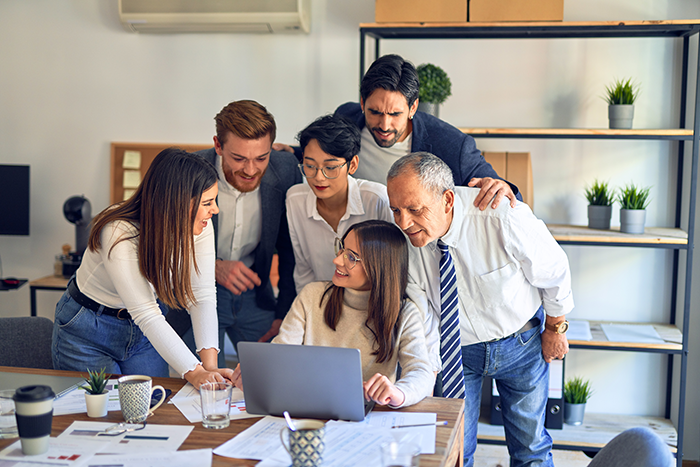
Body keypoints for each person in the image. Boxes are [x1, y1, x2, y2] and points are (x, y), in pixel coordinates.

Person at [386, 152, 574, 466]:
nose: (404, 222)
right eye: (396, 210)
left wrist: (555, 329)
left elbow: (554, 270)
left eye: (414, 210)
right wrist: (425, 373)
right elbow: (423, 313)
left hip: (521, 345)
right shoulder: (409, 240)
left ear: (447, 199)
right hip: (457, 353)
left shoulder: (501, 215)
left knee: (531, 449)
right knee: (455, 449)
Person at [52, 148, 233, 387]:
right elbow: (146, 314)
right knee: (105, 413)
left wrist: (210, 369)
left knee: (153, 409)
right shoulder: (118, 232)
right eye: (207, 202)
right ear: (176, 204)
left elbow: (202, 294)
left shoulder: (199, 224)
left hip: (141, 332)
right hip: (89, 329)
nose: (215, 210)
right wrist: (194, 372)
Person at [275, 54, 520, 210]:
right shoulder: (347, 117)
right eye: (375, 112)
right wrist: (294, 152)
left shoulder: (452, 145)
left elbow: (506, 195)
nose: (384, 125)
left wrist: (501, 186)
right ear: (362, 103)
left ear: (413, 107)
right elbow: (329, 152)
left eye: (395, 114)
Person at [233, 220, 435, 408]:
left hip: (370, 417)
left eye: (351, 257)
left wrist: (398, 392)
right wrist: (258, 373)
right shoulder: (312, 296)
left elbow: (421, 371)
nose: (337, 260)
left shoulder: (405, 314)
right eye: (342, 249)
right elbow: (281, 353)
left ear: (378, 268)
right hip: (306, 408)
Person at [170, 100, 301, 367]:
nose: (251, 170)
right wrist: (213, 267)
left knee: (275, 375)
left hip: (255, 295)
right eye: (239, 158)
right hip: (193, 292)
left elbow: (291, 249)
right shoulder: (187, 172)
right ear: (218, 146)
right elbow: (166, 245)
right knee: (200, 383)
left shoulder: (286, 169)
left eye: (261, 158)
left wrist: (283, 313)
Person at [286, 114, 394, 292]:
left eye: (330, 167)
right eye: (310, 166)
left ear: (352, 166)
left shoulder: (377, 200)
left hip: (370, 304)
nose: (319, 177)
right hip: (320, 303)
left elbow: (391, 271)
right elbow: (304, 272)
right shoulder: (295, 200)